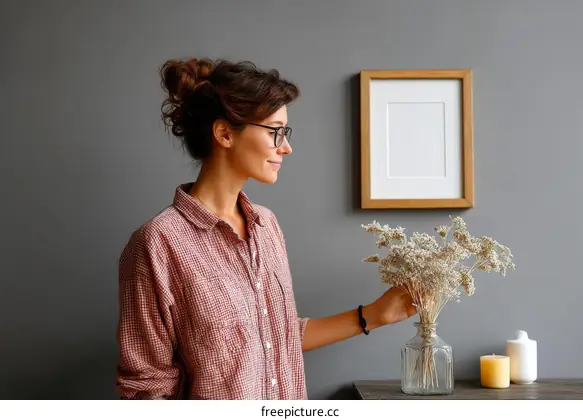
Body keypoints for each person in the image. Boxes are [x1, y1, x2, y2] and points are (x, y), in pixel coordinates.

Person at [115, 57, 417, 400]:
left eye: (285, 133)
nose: (286, 147)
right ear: (224, 133)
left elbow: (277, 337)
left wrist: (374, 315)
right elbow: (146, 389)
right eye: (275, 132)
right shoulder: (157, 243)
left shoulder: (266, 226)